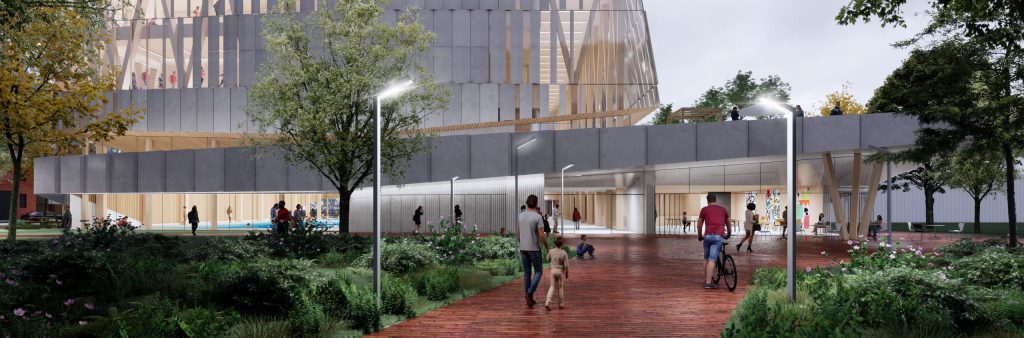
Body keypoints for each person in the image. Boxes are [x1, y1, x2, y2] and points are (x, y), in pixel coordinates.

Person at [517, 194, 549, 308]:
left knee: (526, 273)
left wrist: (522, 243)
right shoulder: (537, 217)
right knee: (539, 272)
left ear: (526, 203)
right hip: (534, 249)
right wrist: (547, 247)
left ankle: (528, 297)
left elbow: (518, 234)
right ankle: (530, 292)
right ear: (536, 203)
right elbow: (541, 235)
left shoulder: (520, 216)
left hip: (523, 248)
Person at [697, 193, 731, 289]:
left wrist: (700, 236)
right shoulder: (723, 209)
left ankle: (707, 279)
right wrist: (728, 234)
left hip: (707, 236)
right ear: (716, 200)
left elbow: (699, 225)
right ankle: (708, 283)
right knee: (712, 259)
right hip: (718, 237)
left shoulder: (704, 209)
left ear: (707, 201)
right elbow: (728, 223)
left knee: (706, 259)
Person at [545, 235, 569, 311]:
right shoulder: (564, 252)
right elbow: (566, 265)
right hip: (560, 271)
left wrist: (548, 253)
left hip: (553, 270)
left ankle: (548, 302)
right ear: (562, 244)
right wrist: (566, 273)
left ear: (555, 243)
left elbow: (547, 259)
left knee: (552, 286)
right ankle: (561, 304)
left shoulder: (551, 251)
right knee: (560, 287)